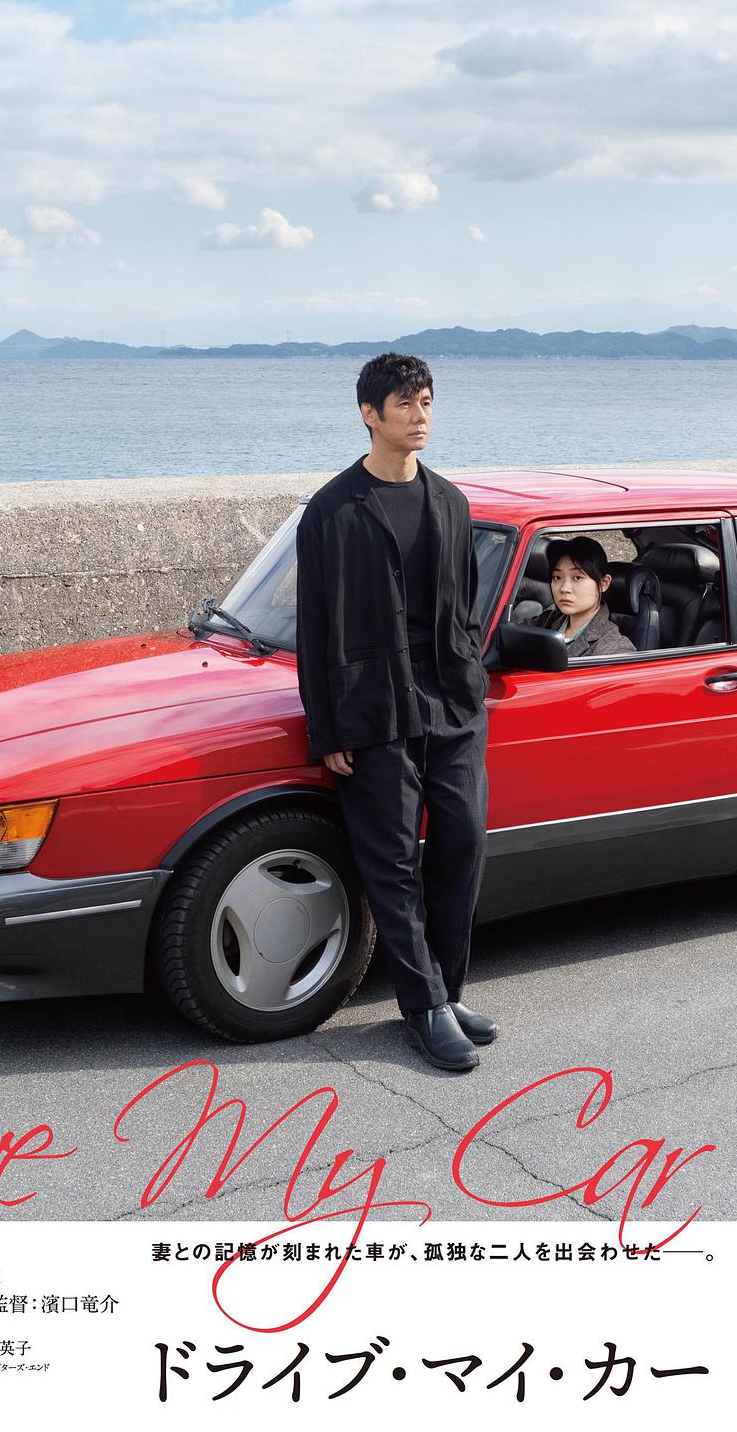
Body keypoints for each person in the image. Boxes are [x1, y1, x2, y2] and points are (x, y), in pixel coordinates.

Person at [295, 353, 496, 1073]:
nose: (420, 416)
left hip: (452, 704)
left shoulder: (450, 501)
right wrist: (328, 727)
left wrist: (471, 681)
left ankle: (448, 990)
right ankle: (424, 1006)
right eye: (406, 403)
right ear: (369, 414)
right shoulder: (331, 511)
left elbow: (464, 606)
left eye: (428, 402)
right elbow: (314, 628)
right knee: (393, 862)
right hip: (374, 709)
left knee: (463, 843)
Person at [530, 536, 635, 656]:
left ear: (603, 583)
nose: (564, 588)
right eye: (557, 577)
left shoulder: (615, 649)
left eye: (577, 578)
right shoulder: (546, 621)